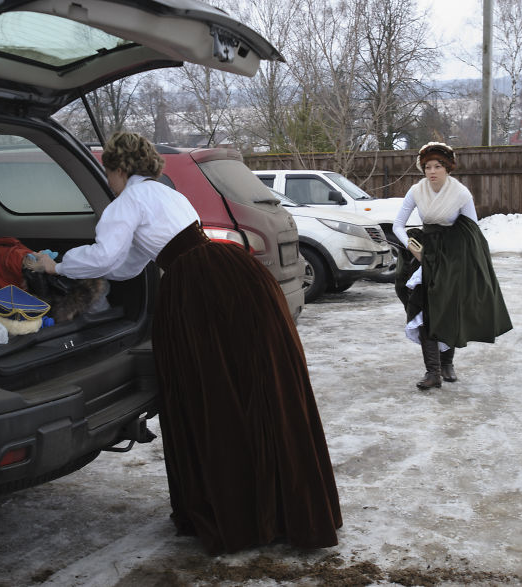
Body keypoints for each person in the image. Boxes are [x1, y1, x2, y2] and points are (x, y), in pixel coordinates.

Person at [38, 131, 342, 554]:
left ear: (120, 168)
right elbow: (128, 264)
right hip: (235, 272)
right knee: (259, 385)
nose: (108, 180)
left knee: (215, 392)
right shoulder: (165, 194)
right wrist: (84, 269)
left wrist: (54, 266)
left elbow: (107, 257)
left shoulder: (127, 203)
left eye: (108, 172)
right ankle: (284, 508)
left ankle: (243, 512)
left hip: (198, 288)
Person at [393, 142, 512, 390]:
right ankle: (433, 372)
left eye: (437, 166)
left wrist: (468, 263)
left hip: (453, 257)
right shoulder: (416, 191)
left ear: (448, 168)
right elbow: (397, 226)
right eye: (427, 167)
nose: (432, 171)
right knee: (424, 310)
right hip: (426, 255)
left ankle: (447, 363)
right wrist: (412, 247)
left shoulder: (460, 193)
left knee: (448, 310)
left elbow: (471, 230)